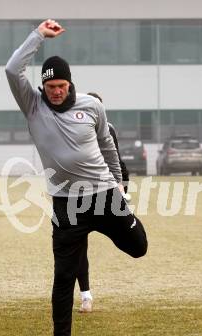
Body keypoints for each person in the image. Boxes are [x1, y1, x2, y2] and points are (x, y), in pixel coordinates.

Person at [5, 19, 148, 336]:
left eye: (62, 85)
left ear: (71, 84)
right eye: (50, 86)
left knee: (139, 246)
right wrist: (38, 35)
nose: (56, 91)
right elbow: (12, 68)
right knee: (62, 280)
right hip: (67, 205)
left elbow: (106, 145)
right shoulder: (33, 105)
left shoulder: (92, 107)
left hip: (104, 196)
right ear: (42, 86)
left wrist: (119, 184)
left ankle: (116, 224)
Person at [76, 92, 130, 314]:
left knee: (132, 241)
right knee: (78, 246)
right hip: (79, 194)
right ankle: (85, 296)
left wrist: (122, 189)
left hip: (106, 192)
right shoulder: (74, 129)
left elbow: (116, 159)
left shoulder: (109, 129)